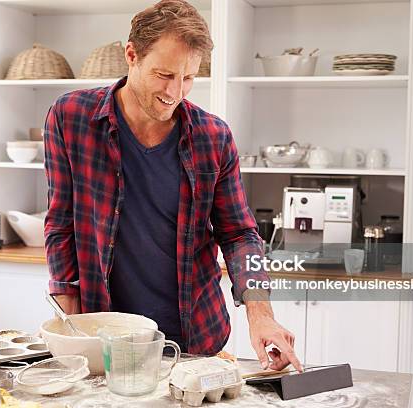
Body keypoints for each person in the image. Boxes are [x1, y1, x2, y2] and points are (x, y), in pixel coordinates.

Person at [44, 0, 302, 372]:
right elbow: (60, 222)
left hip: (194, 339)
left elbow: (241, 233)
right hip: (102, 338)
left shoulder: (213, 136)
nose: (176, 91)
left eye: (188, 77)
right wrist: (68, 325)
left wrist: (261, 313)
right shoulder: (70, 118)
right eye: (164, 74)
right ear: (131, 55)